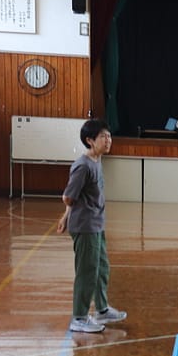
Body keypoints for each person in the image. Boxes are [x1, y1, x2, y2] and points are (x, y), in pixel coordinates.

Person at [56, 119, 126, 334]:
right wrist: (67, 216)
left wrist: (65, 216)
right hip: (85, 226)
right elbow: (68, 196)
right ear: (90, 140)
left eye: (109, 136)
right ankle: (79, 317)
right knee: (86, 272)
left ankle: (102, 309)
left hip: (96, 224)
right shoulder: (83, 166)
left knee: (101, 268)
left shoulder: (97, 161)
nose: (108, 140)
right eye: (103, 136)